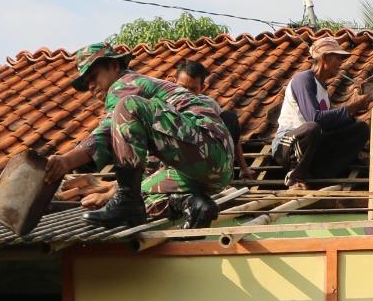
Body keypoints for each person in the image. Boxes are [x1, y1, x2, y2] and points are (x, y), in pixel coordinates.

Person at [44, 42, 236, 229]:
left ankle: (127, 201)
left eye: (93, 76)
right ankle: (194, 203)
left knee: (127, 106)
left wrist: (65, 162)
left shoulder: (124, 84)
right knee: (143, 193)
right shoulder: (146, 119)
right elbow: (147, 161)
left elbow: (105, 133)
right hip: (213, 170)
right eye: (87, 83)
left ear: (114, 66)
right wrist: (111, 194)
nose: (91, 86)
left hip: (206, 145)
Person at [271, 34, 373, 186]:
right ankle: (296, 174)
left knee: (360, 128)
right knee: (312, 127)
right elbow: (315, 118)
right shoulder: (304, 80)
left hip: (312, 148)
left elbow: (329, 123)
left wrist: (352, 111)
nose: (340, 63)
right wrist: (351, 107)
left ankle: (320, 174)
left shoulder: (323, 90)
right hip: (286, 145)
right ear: (325, 58)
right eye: (337, 58)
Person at [171, 59, 252, 181]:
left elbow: (231, 134)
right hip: (179, 157)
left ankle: (222, 171)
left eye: (192, 89)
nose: (186, 94)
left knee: (229, 117)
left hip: (207, 157)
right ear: (174, 82)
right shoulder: (165, 104)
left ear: (202, 88)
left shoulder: (209, 104)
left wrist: (243, 167)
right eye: (182, 87)